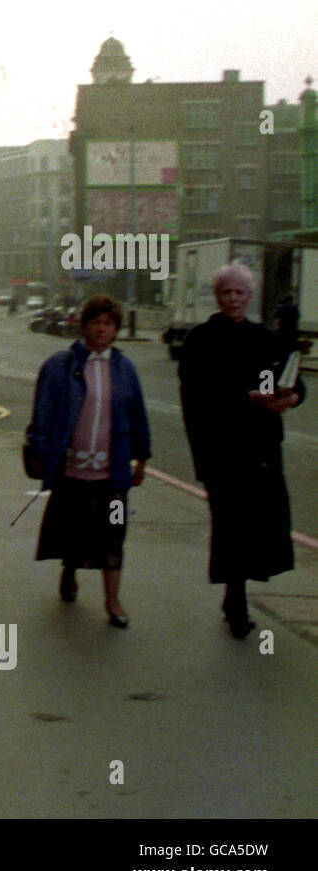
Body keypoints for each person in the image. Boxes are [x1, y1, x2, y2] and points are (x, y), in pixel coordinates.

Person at [178, 263, 306, 639]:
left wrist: (291, 397)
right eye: (226, 293)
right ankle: (236, 599)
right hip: (221, 448)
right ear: (216, 297)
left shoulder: (265, 339)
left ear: (251, 297)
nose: (233, 299)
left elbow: (285, 378)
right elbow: (197, 394)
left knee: (257, 525)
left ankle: (238, 592)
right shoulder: (201, 340)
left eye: (240, 293)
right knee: (230, 524)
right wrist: (244, 397)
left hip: (262, 448)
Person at [28, 294, 151, 628]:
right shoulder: (61, 365)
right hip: (71, 470)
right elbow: (44, 412)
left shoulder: (125, 369)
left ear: (116, 330)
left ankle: (113, 601)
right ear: (84, 326)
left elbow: (137, 414)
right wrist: (38, 450)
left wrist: (141, 458)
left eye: (108, 324)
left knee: (113, 534)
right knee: (72, 531)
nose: (101, 330)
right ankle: (69, 571)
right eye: (95, 323)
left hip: (113, 476)